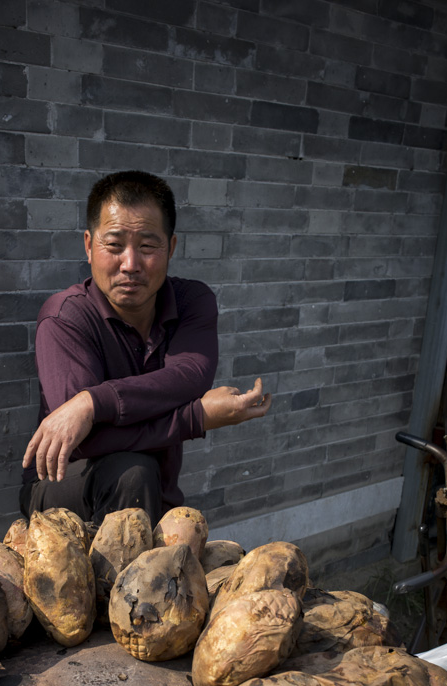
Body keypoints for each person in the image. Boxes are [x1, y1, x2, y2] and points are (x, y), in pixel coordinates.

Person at [20, 170, 271, 527]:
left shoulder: (190, 301)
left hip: (152, 490)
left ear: (171, 247)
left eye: (148, 246)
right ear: (89, 246)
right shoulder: (64, 318)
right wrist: (195, 418)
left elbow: (188, 377)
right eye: (114, 244)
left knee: (145, 482)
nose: (130, 264)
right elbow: (84, 444)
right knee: (133, 471)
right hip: (62, 487)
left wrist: (92, 401)